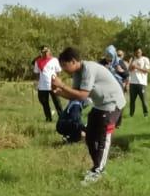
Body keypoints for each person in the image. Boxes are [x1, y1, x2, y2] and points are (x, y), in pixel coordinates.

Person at [49, 47, 126, 185]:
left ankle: (98, 171)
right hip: (100, 104)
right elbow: (76, 96)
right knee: (89, 136)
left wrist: (62, 85)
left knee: (103, 138)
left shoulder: (88, 69)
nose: (63, 69)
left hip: (112, 104)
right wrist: (59, 92)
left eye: (64, 65)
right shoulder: (78, 73)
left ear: (73, 61)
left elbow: (83, 95)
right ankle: (96, 168)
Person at [33, 46, 61, 122]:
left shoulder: (54, 60)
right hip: (42, 86)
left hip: (53, 85)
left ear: (49, 51)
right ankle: (48, 118)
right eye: (44, 52)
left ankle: (62, 118)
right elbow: (37, 73)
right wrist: (36, 83)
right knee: (44, 103)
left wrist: (58, 82)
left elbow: (58, 71)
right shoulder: (37, 61)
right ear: (41, 52)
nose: (45, 53)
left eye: (47, 51)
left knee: (57, 102)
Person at [127, 47, 150, 117]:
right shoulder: (132, 59)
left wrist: (137, 67)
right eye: (137, 52)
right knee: (132, 101)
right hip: (132, 83)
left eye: (139, 52)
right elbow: (129, 70)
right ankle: (131, 114)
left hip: (141, 83)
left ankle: (145, 114)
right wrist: (132, 67)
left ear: (141, 52)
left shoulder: (145, 59)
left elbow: (148, 70)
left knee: (143, 100)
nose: (138, 54)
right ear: (134, 52)